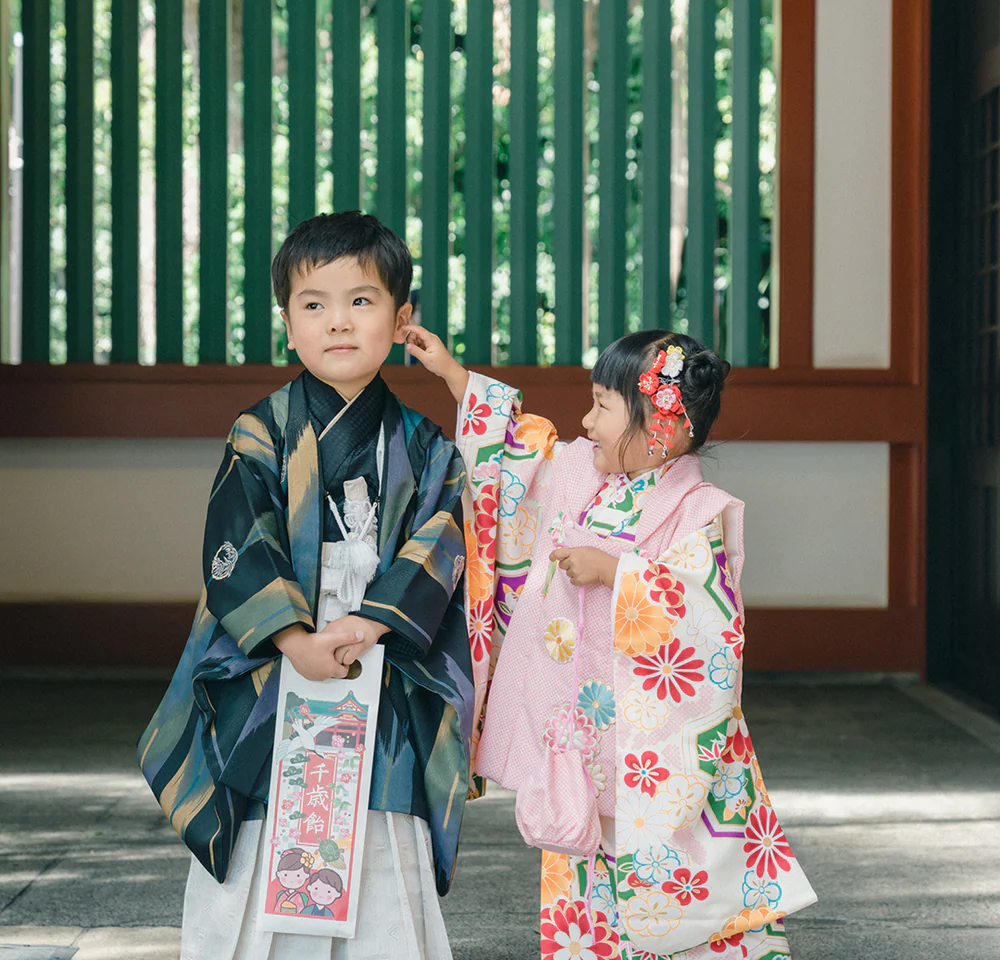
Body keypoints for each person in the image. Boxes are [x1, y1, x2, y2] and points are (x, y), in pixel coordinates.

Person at [405, 325, 817, 960]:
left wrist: (618, 573)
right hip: (582, 737)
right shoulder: (579, 475)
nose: (585, 420)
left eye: (602, 405)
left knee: (680, 883)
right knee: (581, 862)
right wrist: (454, 377)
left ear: (662, 424)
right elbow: (518, 456)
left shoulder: (697, 508)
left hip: (656, 754)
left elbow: (711, 625)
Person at [138, 212, 474, 960]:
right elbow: (237, 540)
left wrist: (373, 626)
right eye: (313, 304)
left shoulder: (425, 445)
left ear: (403, 317)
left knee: (378, 823)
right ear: (287, 324)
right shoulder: (259, 432)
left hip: (376, 666)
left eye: (362, 301)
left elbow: (444, 537)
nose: (338, 322)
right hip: (274, 669)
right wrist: (293, 638)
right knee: (268, 826)